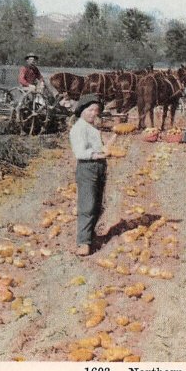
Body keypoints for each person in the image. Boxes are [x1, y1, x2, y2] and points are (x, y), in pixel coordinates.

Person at [69, 94, 116, 256]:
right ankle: (83, 242)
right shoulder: (78, 128)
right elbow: (80, 152)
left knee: (98, 204)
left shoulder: (92, 128)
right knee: (87, 205)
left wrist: (113, 140)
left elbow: (101, 147)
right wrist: (99, 155)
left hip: (99, 167)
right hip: (87, 167)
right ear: (82, 110)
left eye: (96, 110)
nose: (93, 113)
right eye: (90, 110)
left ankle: (90, 235)